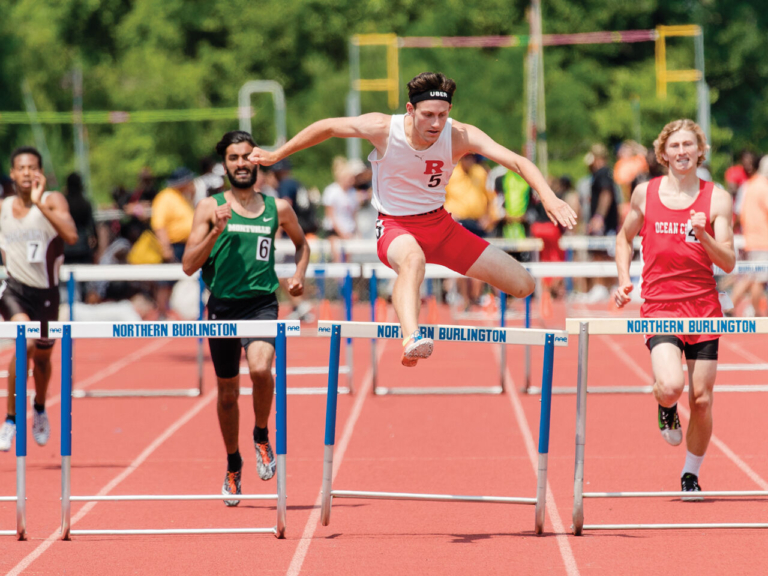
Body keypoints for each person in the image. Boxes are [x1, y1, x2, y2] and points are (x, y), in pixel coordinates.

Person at [248, 72, 576, 366]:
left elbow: (517, 161)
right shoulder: (383, 128)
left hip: (443, 228)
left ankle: (422, 329)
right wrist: (279, 154)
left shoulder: (459, 135)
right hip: (396, 226)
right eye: (428, 115)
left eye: (442, 116)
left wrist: (549, 196)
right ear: (410, 110)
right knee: (413, 260)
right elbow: (330, 127)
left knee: (524, 285)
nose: (435, 124)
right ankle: (411, 338)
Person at [182, 131, 309, 505]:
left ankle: (260, 434)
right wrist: (216, 232)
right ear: (225, 165)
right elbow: (189, 265)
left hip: (261, 304)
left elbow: (302, 243)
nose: (241, 164)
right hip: (222, 306)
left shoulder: (278, 208)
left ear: (258, 161)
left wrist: (299, 273)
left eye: (246, 157)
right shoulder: (209, 207)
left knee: (259, 369)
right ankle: (233, 463)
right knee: (226, 393)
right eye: (234, 158)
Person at [614, 119, 735, 498]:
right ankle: (665, 405)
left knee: (700, 399)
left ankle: (690, 474)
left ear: (700, 151)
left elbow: (729, 261)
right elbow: (623, 238)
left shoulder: (717, 199)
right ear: (663, 153)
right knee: (671, 387)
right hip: (661, 305)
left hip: (703, 308)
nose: (682, 152)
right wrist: (623, 278)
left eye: (689, 145)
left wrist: (703, 234)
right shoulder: (644, 194)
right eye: (675, 146)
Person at [0, 147, 78, 451]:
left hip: (46, 294)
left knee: (44, 359)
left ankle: (40, 407)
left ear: (41, 173)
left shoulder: (52, 200)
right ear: (12, 173)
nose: (27, 173)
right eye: (21, 167)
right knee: (26, 342)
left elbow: (71, 236)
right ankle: (10, 419)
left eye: (33, 167)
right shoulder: (4, 207)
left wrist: (39, 205)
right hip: (15, 291)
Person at [150, 167, 196, 319]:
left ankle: (182, 310)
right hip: (173, 244)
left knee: (186, 279)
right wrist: (166, 247)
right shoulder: (165, 197)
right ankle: (162, 312)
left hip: (187, 244)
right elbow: (159, 224)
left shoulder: (182, 197)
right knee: (166, 281)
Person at [730, 155, 768, 316]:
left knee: (750, 277)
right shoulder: (763, 187)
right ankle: (757, 313)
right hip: (762, 239)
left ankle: (730, 307)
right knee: (758, 279)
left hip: (750, 237)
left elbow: (739, 212)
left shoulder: (749, 185)